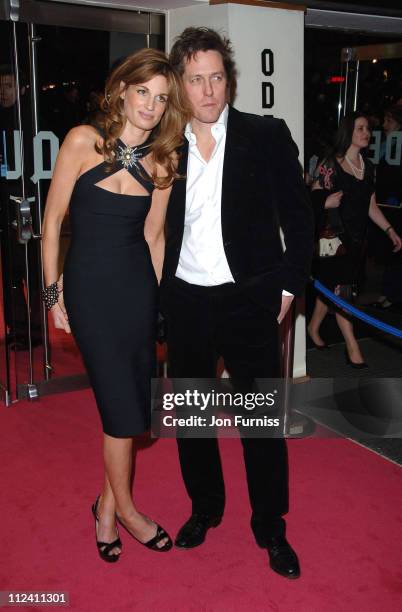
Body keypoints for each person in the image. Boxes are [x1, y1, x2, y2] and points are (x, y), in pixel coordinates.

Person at [161, 27, 314, 579]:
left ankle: (271, 528)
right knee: (193, 419)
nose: (208, 90)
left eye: (217, 77)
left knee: (262, 424)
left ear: (229, 79)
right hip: (184, 303)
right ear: (181, 84)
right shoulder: (163, 145)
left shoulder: (264, 136)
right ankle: (205, 508)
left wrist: (290, 284)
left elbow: (299, 217)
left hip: (248, 301)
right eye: (196, 79)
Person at [42, 49, 189, 562]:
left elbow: (153, 237)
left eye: (161, 98)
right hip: (88, 291)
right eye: (143, 91)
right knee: (119, 411)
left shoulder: (164, 159)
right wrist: (52, 292)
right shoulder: (82, 141)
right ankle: (126, 511)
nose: (150, 105)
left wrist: (154, 303)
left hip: (135, 294)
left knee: (130, 409)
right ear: (122, 90)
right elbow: (52, 221)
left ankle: (104, 508)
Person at [308, 112, 402, 366]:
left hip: (358, 240)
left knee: (331, 287)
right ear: (348, 132)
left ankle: (313, 327)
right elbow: (311, 197)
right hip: (333, 241)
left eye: (367, 129)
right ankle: (353, 349)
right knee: (343, 293)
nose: (366, 133)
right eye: (360, 128)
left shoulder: (368, 167)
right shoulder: (331, 164)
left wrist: (390, 230)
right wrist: (325, 201)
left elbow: (371, 207)